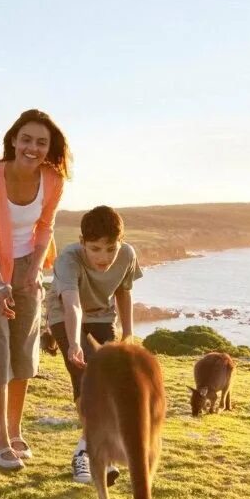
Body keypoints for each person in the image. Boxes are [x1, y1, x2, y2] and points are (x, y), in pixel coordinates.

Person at [0, 109, 67, 471]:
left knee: (23, 348)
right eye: (26, 140)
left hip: (28, 265)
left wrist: (35, 268)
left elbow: (45, 226)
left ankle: (15, 428)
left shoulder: (53, 179)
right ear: (13, 140)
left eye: (41, 142)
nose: (33, 148)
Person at [48, 204, 143, 483]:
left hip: (103, 317)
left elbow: (124, 293)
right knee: (87, 379)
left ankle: (93, 450)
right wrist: (75, 343)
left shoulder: (127, 255)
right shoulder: (68, 260)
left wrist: (128, 334)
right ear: (82, 243)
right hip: (64, 316)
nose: (104, 257)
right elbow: (72, 305)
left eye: (110, 248)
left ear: (120, 243)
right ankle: (86, 454)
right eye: (95, 249)